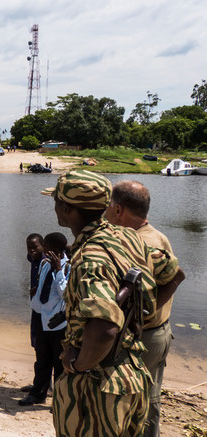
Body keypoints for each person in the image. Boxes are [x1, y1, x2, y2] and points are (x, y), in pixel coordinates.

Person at [41, 170, 184, 436]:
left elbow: (105, 326)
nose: (55, 207)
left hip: (99, 386)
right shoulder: (128, 237)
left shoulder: (90, 257)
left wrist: (77, 364)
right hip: (132, 372)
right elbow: (174, 274)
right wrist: (142, 315)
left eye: (57, 201)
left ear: (68, 209)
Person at [104, 180, 176, 437]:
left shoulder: (139, 244)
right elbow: (174, 277)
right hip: (159, 332)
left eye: (109, 207)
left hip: (146, 336)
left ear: (119, 209)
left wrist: (146, 315)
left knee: (139, 404)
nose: (106, 212)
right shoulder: (157, 236)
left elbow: (176, 277)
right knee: (150, 397)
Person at [19, 232, 70, 406]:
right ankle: (38, 393)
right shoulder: (44, 263)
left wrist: (58, 270)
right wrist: (34, 296)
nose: (44, 250)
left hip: (58, 324)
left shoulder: (68, 267)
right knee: (42, 361)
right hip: (42, 319)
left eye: (47, 247)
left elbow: (67, 295)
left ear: (55, 249)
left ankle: (60, 400)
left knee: (59, 363)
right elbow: (42, 287)